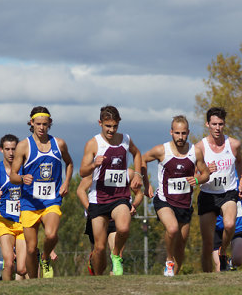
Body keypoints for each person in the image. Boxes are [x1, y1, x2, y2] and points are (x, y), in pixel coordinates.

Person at [142, 115, 210, 276]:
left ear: (188, 133)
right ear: (171, 132)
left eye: (184, 133)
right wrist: (146, 183)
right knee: (172, 229)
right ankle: (169, 260)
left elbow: (206, 174)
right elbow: (142, 160)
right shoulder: (162, 150)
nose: (181, 137)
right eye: (177, 133)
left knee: (181, 244)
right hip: (164, 200)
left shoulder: (195, 152)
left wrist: (197, 179)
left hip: (184, 204)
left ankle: (174, 277)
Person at [79, 105, 143, 276]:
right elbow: (82, 172)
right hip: (98, 200)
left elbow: (137, 154)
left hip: (119, 197)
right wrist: (94, 164)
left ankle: (116, 255)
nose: (111, 130)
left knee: (123, 228)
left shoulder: (126, 139)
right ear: (100, 123)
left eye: (115, 126)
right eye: (108, 126)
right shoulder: (93, 144)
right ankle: (99, 279)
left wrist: (137, 174)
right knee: (99, 249)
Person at [10, 106, 73, 279]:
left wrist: (66, 182)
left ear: (50, 123)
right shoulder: (23, 146)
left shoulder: (59, 144)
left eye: (45, 124)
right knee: (30, 248)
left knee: (51, 235)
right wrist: (22, 179)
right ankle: (34, 282)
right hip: (29, 203)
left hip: (51, 200)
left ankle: (45, 257)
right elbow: (13, 175)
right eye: (38, 124)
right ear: (31, 123)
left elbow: (69, 163)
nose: (41, 127)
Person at [195, 107, 242, 272]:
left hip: (228, 193)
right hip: (208, 195)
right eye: (214, 124)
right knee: (207, 242)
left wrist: (241, 182)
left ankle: (223, 251)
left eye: (221, 124)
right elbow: (193, 175)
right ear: (207, 124)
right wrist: (206, 171)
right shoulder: (199, 148)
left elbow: (239, 163)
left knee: (230, 225)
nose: (217, 128)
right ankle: (208, 278)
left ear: (224, 124)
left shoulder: (234, 144)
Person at [0, 134, 27, 281]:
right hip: (5, 221)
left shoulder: (26, 167)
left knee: (22, 268)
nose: (11, 153)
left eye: (14, 149)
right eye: (7, 149)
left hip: (23, 221)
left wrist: (27, 200)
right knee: (8, 263)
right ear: (1, 150)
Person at [77, 171, 134, 275]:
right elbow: (80, 190)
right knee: (99, 251)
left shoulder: (128, 172)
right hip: (98, 215)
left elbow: (138, 193)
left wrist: (132, 205)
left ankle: (115, 276)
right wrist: (90, 209)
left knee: (117, 252)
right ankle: (97, 272)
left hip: (114, 217)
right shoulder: (96, 171)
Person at [212, 171, 242, 271]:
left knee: (238, 259)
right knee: (219, 267)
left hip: (238, 225)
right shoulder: (215, 173)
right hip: (218, 225)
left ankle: (230, 263)